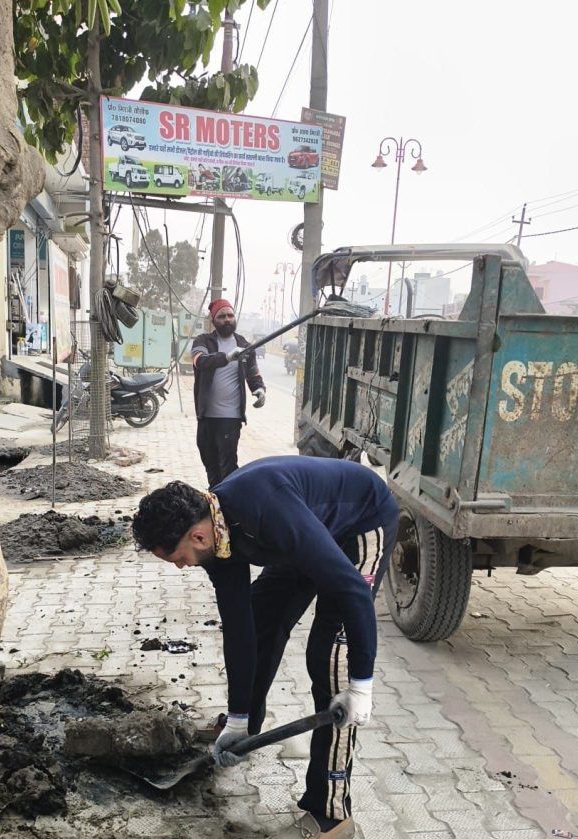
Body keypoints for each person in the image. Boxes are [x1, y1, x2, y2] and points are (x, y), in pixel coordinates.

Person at [132, 455, 400, 839]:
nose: (181, 566)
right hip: (301, 533)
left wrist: (361, 684)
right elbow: (239, 627)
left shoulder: (265, 507)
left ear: (197, 537)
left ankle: (332, 816)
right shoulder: (216, 538)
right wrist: (238, 717)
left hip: (359, 523)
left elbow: (352, 590)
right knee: (259, 622)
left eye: (177, 558)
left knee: (328, 658)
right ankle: (248, 731)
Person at [192, 299, 266, 488]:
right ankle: (215, 499)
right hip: (206, 416)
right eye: (222, 316)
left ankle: (228, 501)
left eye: (230, 315)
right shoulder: (203, 341)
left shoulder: (245, 345)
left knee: (228, 466)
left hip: (230, 417)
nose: (227, 319)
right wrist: (226, 357)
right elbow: (200, 361)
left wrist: (259, 389)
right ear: (213, 321)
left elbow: (253, 373)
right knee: (210, 465)